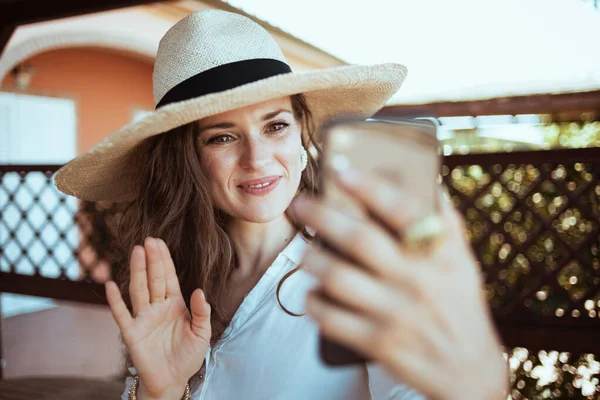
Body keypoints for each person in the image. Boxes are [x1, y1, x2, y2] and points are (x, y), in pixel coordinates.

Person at [54, 9, 507, 400]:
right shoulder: (170, 281)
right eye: (223, 137)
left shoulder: (359, 272)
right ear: (185, 159)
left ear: (302, 131)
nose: (258, 159)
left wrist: (475, 376)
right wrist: (160, 391)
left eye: (275, 127)